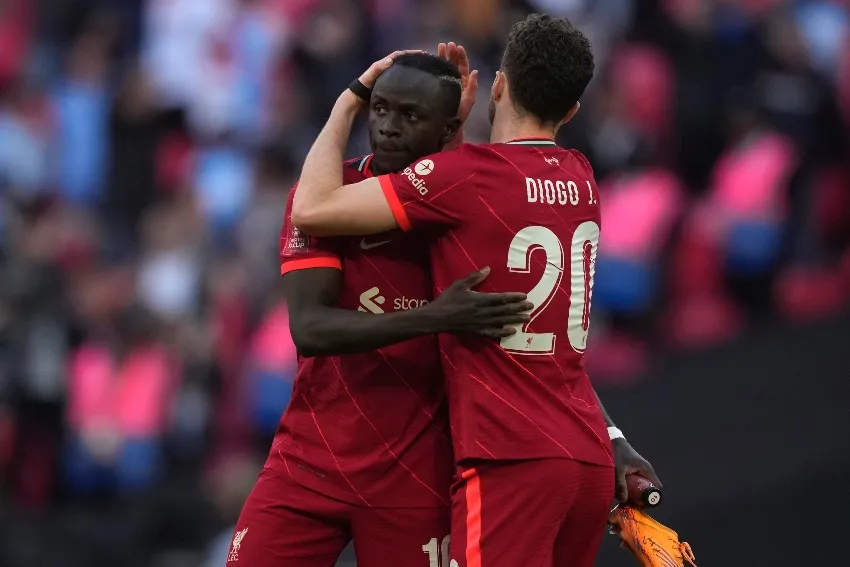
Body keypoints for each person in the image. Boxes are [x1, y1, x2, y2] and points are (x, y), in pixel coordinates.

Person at [291, 15, 663, 567]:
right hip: (586, 458)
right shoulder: (582, 179)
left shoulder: (465, 177)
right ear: (573, 112)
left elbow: (313, 206)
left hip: (509, 460)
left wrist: (350, 104)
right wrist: (615, 438)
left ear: (499, 86)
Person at [228, 51, 532, 567]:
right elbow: (310, 328)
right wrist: (437, 315)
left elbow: (538, 335)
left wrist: (609, 437)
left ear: (447, 130)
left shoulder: (467, 208)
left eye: (411, 117)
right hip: (310, 460)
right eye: (381, 109)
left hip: (416, 474)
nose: (389, 128)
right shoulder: (326, 195)